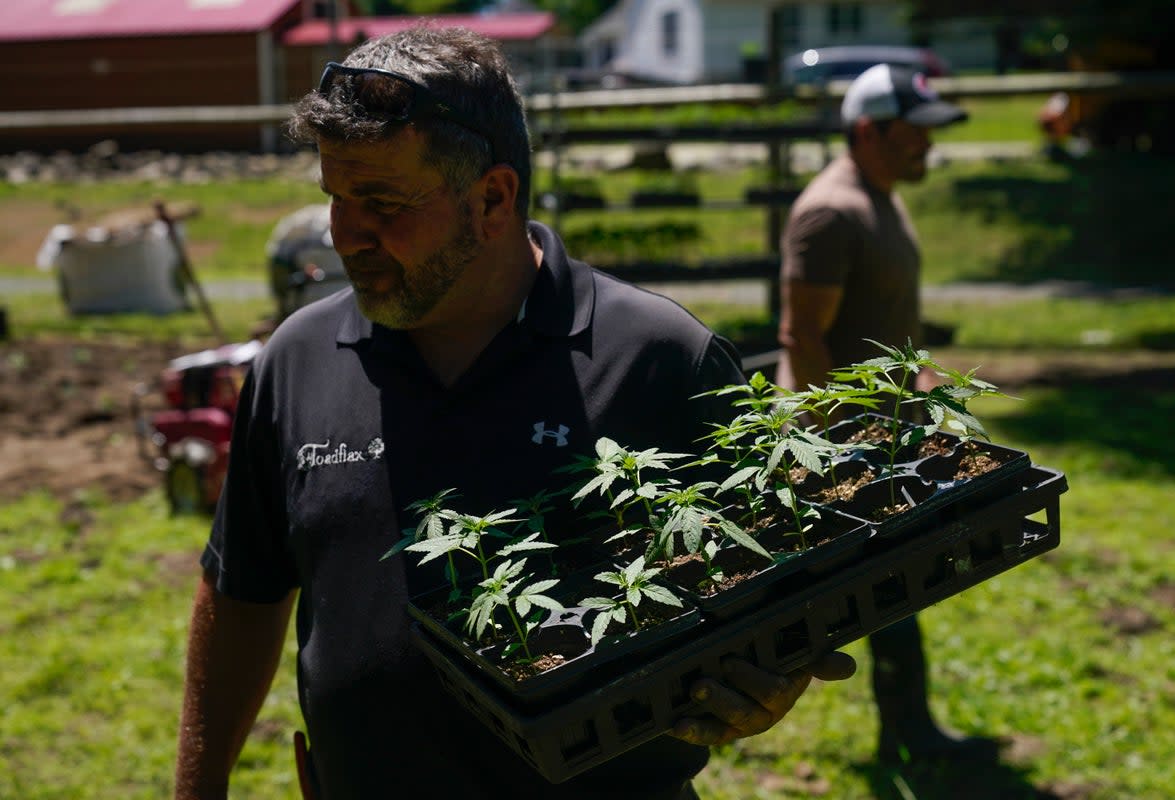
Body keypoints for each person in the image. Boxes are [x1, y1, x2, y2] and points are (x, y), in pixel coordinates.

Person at [174, 27, 855, 800]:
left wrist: (767, 685)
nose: (345, 236)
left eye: (382, 202)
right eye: (334, 197)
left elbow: (783, 596)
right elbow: (242, 591)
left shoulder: (659, 359)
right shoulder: (297, 359)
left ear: (493, 198)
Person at [776, 63, 1000, 766]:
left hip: (890, 435)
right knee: (870, 593)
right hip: (846, 445)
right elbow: (801, 337)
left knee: (899, 589)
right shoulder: (831, 212)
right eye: (916, 134)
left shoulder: (883, 198)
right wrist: (841, 445)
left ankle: (906, 735)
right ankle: (907, 739)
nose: (928, 148)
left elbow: (893, 333)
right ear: (869, 129)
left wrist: (934, 402)